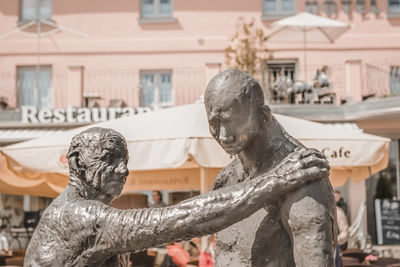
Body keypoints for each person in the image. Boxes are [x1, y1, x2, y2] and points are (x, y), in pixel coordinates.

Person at [24, 127, 329, 266]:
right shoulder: (75, 215)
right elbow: (179, 221)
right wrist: (275, 180)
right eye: (111, 159)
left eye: (126, 160)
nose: (124, 169)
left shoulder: (85, 215)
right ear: (77, 162)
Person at [205, 69, 337, 267]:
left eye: (232, 122)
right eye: (214, 122)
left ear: (263, 116)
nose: (224, 135)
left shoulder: (303, 178)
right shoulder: (225, 179)